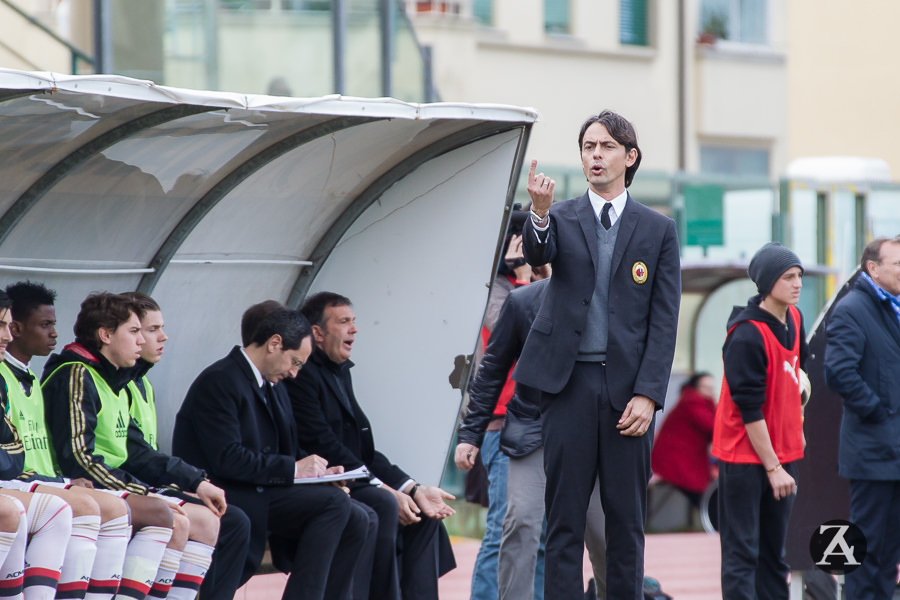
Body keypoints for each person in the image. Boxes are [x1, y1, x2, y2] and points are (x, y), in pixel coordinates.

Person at [515, 110, 681, 599]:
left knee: (626, 522)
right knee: (563, 520)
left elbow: (664, 320)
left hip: (628, 394)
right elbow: (538, 255)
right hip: (567, 386)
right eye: (588, 146)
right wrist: (539, 211)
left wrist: (650, 395)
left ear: (629, 157)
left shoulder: (658, 229)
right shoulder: (560, 215)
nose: (595, 155)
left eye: (606, 147)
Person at [173, 305, 371, 600]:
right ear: (274, 343)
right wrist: (294, 469)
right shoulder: (220, 380)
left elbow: (286, 447)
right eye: (294, 362)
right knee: (334, 505)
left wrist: (318, 474)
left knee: (359, 515)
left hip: (260, 488)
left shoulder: (272, 382)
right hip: (228, 491)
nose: (294, 373)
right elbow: (226, 459)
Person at [286, 291, 457, 600]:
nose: (354, 329)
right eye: (344, 322)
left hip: (353, 478)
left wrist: (412, 488)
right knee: (383, 503)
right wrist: (385, 489)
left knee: (423, 514)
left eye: (354, 321)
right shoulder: (302, 374)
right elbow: (324, 445)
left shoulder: (340, 371)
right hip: (327, 483)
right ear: (317, 333)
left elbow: (365, 451)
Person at [40, 292, 207, 600]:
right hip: (69, 484)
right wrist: (146, 491)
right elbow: (80, 458)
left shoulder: (120, 379)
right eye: (135, 331)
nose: (143, 341)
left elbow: (136, 450)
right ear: (105, 335)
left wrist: (191, 481)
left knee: (206, 521)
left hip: (102, 483)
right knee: (166, 516)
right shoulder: (76, 373)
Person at [455, 278, 608, 600]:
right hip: (531, 428)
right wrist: (470, 434)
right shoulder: (521, 300)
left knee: (604, 535)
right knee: (520, 521)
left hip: (591, 431)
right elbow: (492, 370)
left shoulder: (612, 296)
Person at [120, 291, 248, 600]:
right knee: (229, 521)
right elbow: (134, 453)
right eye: (150, 330)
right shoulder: (114, 384)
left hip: (145, 484)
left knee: (232, 519)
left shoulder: (143, 384)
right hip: (121, 486)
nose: (162, 337)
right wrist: (192, 481)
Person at [711, 242, 807, 600]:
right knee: (742, 553)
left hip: (783, 453)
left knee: (775, 555)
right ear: (767, 283)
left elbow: (801, 371)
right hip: (746, 458)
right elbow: (748, 408)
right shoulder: (746, 334)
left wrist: (798, 427)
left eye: (799, 275)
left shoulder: (795, 318)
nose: (798, 283)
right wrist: (773, 467)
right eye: (788, 277)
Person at [825, 236, 900, 600]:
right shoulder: (853, 308)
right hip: (872, 453)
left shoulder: (891, 307)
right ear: (873, 267)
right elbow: (838, 372)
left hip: (893, 453)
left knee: (888, 554)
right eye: (898, 264)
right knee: (866, 550)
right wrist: (879, 411)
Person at [651, 372, 718, 508]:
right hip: (677, 460)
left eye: (711, 387)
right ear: (696, 387)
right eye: (706, 387)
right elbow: (713, 426)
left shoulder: (695, 402)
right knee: (701, 494)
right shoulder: (692, 403)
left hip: (682, 458)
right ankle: (715, 525)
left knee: (704, 493)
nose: (710, 391)